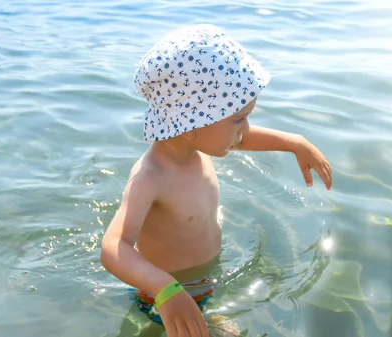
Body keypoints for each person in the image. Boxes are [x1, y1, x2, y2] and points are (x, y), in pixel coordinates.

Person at [100, 24, 332, 337]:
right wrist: (166, 290)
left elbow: (240, 139)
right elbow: (114, 247)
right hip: (163, 296)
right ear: (193, 122)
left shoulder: (195, 143)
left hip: (201, 281)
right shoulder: (151, 177)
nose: (245, 129)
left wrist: (294, 142)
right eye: (239, 119)